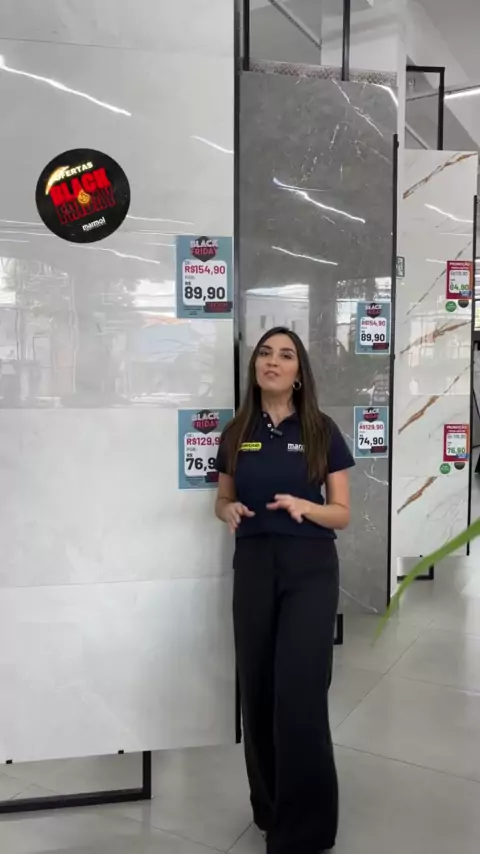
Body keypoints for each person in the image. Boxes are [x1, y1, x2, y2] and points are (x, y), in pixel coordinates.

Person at [214, 327, 354, 854]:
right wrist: (227, 509)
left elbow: (341, 512)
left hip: (309, 569)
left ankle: (306, 829)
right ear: (255, 368)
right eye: (265, 354)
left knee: (299, 692)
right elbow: (221, 499)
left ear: (299, 374)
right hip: (254, 566)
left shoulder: (321, 430)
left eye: (286, 355)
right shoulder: (236, 432)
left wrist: (307, 507)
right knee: (258, 689)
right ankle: (270, 808)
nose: (273, 361)